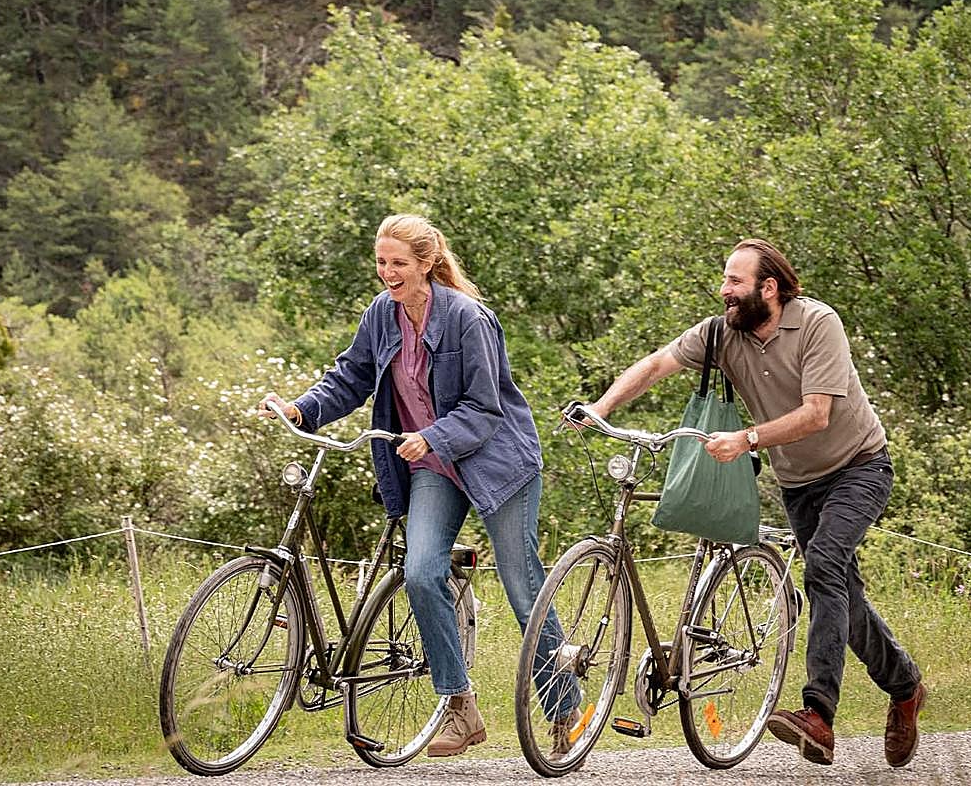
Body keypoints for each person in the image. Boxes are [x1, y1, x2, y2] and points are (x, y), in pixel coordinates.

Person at [584, 238, 924, 768]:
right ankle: (905, 687)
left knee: (825, 565)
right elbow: (656, 364)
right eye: (724, 280)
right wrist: (599, 408)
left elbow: (816, 414)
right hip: (798, 482)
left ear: (768, 288)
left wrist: (747, 439)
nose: (724, 291)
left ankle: (818, 715)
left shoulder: (818, 324)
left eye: (734, 281)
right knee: (842, 596)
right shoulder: (721, 333)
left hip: (859, 467)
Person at [259, 214, 580, 758]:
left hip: (498, 462)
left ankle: (565, 708)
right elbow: (351, 377)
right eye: (381, 262)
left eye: (399, 263)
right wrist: (301, 408)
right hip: (432, 464)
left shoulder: (468, 318)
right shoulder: (380, 315)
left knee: (523, 587)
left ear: (426, 263)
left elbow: (485, 407)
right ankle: (459, 704)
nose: (388, 272)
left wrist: (432, 435)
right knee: (421, 572)